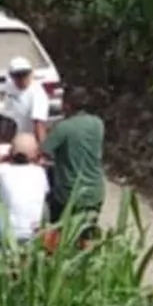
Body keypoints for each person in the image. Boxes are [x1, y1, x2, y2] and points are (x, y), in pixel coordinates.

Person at [42, 87, 106, 232]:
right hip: (94, 193)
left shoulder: (63, 128)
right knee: (86, 235)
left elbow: (44, 152)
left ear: (66, 105)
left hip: (69, 196)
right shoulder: (98, 123)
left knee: (58, 234)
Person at [4, 55, 51, 147]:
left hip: (29, 142)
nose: (21, 78)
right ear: (11, 76)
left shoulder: (37, 93)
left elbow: (39, 124)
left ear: (31, 73)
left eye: (24, 74)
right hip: (11, 140)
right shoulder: (9, 87)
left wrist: (43, 149)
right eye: (17, 75)